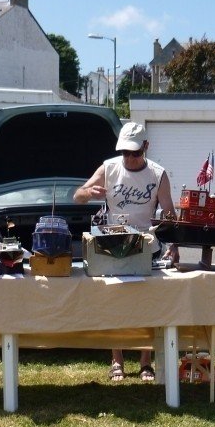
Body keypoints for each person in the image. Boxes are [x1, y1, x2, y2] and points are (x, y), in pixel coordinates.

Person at [74, 121, 179, 382]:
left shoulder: (158, 174)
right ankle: (117, 360)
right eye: (125, 153)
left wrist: (175, 245)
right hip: (114, 244)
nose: (130, 159)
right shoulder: (109, 167)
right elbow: (77, 195)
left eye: (135, 153)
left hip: (147, 246)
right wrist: (89, 192)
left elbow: (169, 215)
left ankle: (146, 362)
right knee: (114, 304)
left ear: (146, 147)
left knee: (147, 305)